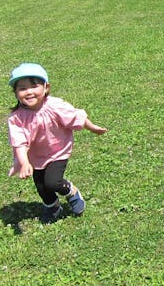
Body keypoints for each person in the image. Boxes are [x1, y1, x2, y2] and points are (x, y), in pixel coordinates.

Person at [7, 63, 107, 224]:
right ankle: (53, 206)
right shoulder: (17, 118)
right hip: (35, 157)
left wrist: (93, 128)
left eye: (34, 86)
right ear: (16, 93)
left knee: (52, 182)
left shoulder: (55, 106)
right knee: (42, 187)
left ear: (46, 87)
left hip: (57, 151)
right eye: (22, 88)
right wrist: (24, 163)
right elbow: (19, 142)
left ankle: (72, 192)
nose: (29, 92)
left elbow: (76, 116)